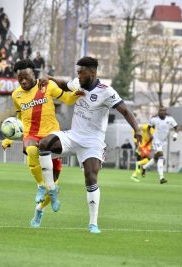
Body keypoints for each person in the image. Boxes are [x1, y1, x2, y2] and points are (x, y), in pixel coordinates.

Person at [38, 57, 142, 234]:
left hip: (93, 142)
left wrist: (137, 130)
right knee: (44, 144)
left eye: (81, 72)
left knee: (91, 177)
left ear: (92, 73)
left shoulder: (106, 92)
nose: (78, 76)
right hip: (73, 136)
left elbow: (125, 110)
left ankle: (93, 223)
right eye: (77, 72)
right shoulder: (79, 83)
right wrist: (50, 78)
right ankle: (51, 188)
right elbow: (65, 85)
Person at [1, 59, 84, 228]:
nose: (23, 81)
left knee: (53, 186)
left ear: (34, 74)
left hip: (52, 137)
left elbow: (67, 99)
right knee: (31, 150)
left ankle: (39, 209)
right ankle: (40, 185)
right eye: (19, 79)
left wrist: (76, 95)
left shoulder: (47, 86)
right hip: (31, 134)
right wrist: (10, 138)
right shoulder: (16, 95)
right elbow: (20, 119)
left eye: (26, 77)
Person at [141, 106, 178, 184]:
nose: (161, 112)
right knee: (161, 157)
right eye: (160, 110)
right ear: (158, 112)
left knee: (156, 158)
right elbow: (148, 128)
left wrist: (175, 135)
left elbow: (176, 127)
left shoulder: (170, 119)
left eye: (163, 110)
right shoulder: (154, 119)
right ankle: (161, 178)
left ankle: (144, 167)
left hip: (164, 142)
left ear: (165, 111)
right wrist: (150, 135)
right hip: (156, 141)